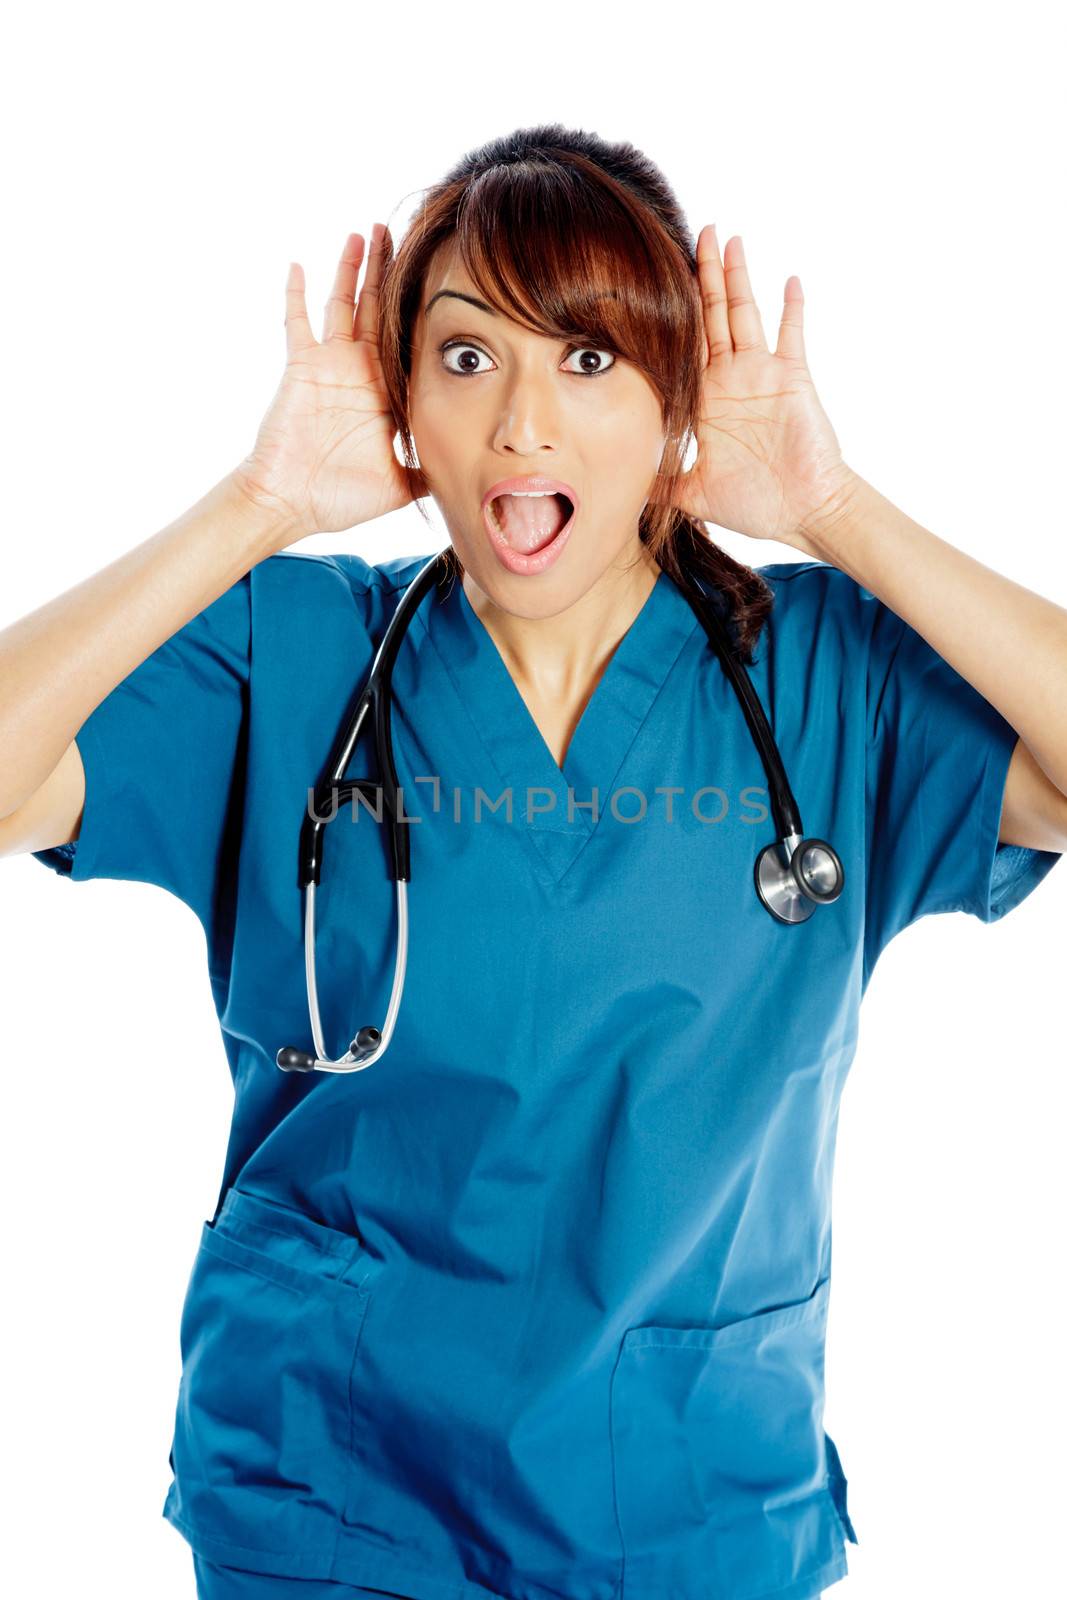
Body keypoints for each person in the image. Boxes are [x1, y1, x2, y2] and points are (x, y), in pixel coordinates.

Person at [2, 123, 1064, 1600]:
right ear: (399, 414)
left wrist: (837, 512)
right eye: (463, 358)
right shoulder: (293, 658)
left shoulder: (827, 681)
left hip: (688, 1495)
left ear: (674, 403)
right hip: (329, 1488)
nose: (522, 427)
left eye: (587, 359)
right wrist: (254, 507)